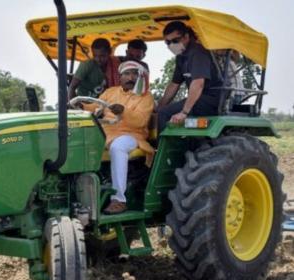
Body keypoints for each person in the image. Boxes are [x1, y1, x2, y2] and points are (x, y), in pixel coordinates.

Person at [83, 61, 154, 214]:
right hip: (105, 133)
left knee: (118, 146)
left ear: (141, 77)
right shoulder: (110, 92)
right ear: (120, 77)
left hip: (132, 135)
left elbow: (140, 121)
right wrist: (81, 106)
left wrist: (123, 111)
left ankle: (119, 199)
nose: (131, 77)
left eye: (135, 74)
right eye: (127, 74)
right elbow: (95, 107)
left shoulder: (145, 97)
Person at [157, 21, 223, 132]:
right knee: (161, 111)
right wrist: (160, 106)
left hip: (210, 100)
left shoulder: (198, 53)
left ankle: (162, 149)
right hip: (198, 99)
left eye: (175, 41)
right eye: (167, 42)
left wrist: (184, 112)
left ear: (186, 37)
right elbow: (174, 84)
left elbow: (198, 83)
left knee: (164, 114)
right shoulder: (181, 56)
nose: (171, 45)